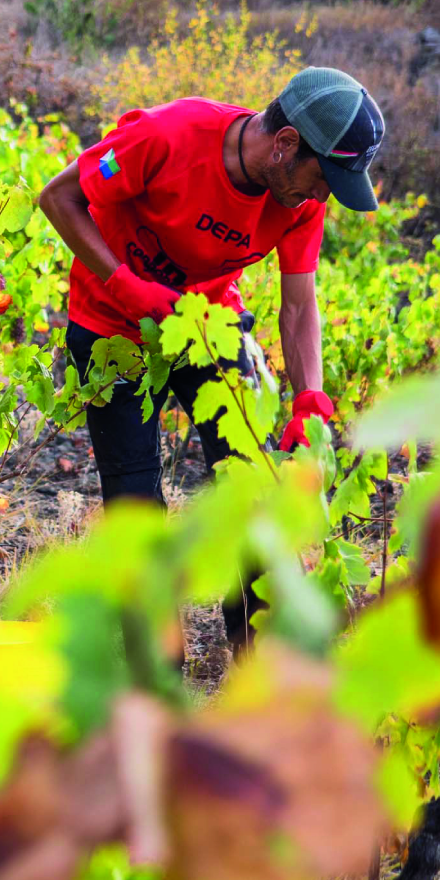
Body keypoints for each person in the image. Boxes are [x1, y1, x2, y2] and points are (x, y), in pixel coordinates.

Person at [37, 66, 385, 652]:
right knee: (137, 506)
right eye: (322, 177)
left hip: (207, 327)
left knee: (250, 489)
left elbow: (299, 304)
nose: (323, 194)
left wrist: (310, 397)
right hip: (112, 323)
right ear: (286, 144)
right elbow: (59, 196)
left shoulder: (300, 201)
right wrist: (124, 284)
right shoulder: (166, 137)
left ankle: (260, 673)